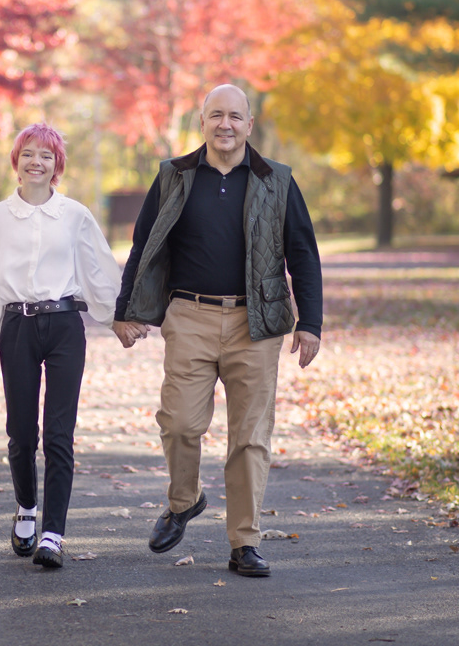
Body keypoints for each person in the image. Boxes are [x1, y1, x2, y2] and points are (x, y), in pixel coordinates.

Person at [113, 84, 322, 578]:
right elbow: (143, 246)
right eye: (215, 116)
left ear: (250, 125)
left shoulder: (278, 180)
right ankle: (184, 500)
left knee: (250, 437)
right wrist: (126, 310)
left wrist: (310, 322)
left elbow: (303, 253)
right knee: (181, 423)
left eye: (234, 116)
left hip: (259, 324)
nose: (224, 125)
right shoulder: (174, 176)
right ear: (202, 122)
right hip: (190, 317)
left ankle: (244, 543)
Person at [0, 124, 121, 569]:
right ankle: (27, 508)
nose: (37, 162)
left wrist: (118, 319)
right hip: (17, 326)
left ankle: (53, 532)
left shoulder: (74, 214)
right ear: (16, 161)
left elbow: (99, 270)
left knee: (59, 434)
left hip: (64, 327)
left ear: (58, 165)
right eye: (29, 154)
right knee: (21, 434)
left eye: (47, 156)